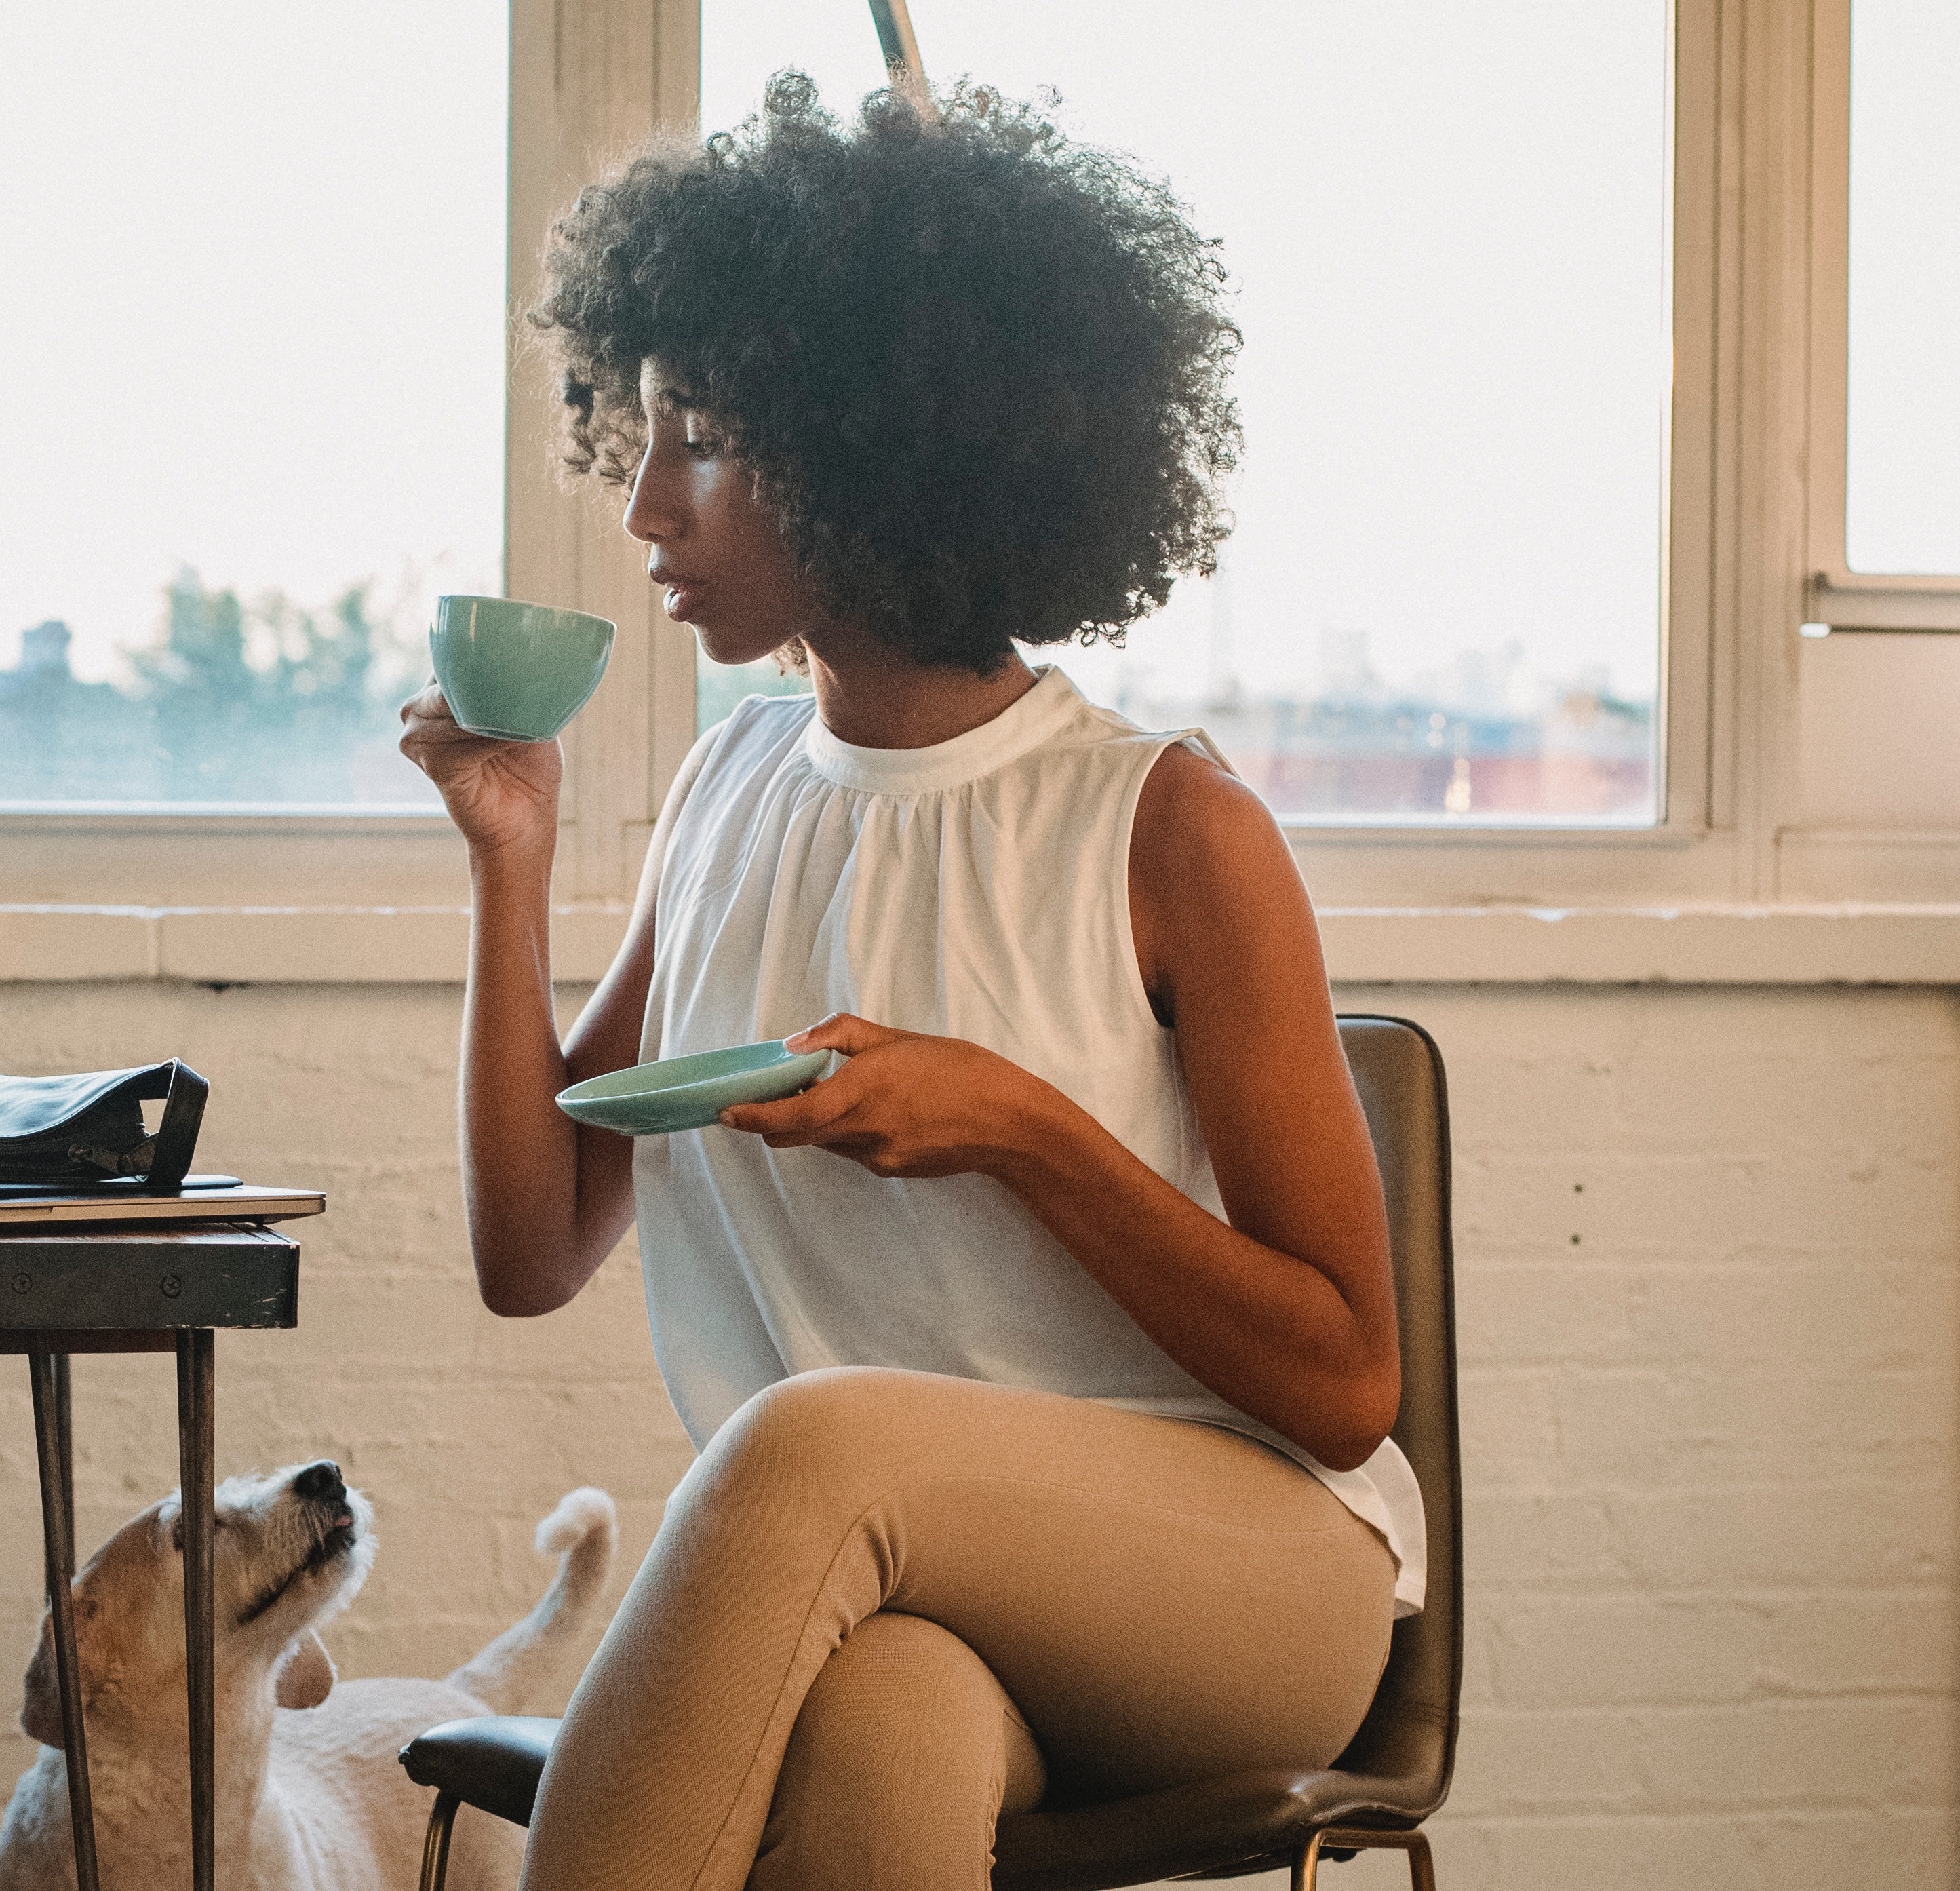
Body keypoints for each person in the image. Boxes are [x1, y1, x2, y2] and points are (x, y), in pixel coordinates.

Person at [399, 75, 1424, 1891]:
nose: (642, 505)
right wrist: (510, 856)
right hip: (902, 1588)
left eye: (700, 436)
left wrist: (1019, 1128)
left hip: (1250, 1577)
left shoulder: (1165, 826)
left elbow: (1346, 1379)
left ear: (880, 447)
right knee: (891, 1727)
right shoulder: (731, 789)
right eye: (637, 434)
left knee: (817, 1444)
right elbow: (532, 1244)